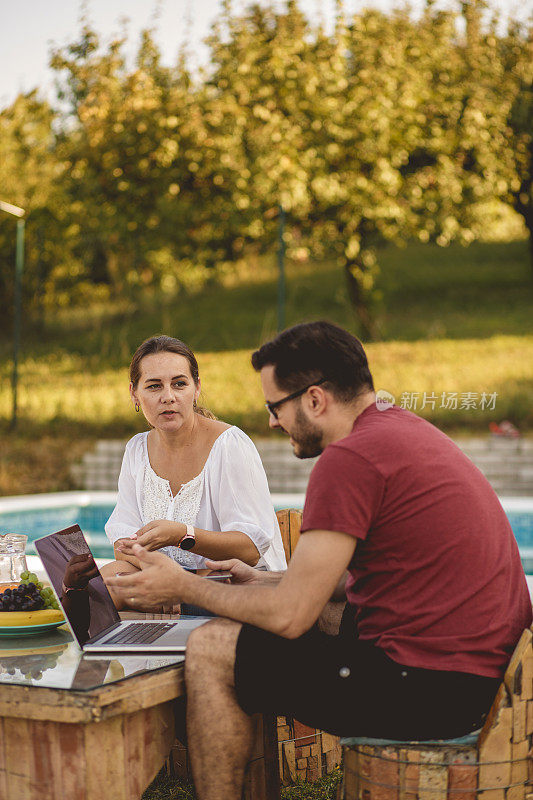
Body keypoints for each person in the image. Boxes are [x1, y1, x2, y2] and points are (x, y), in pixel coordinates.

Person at [107, 321, 532, 800]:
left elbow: (291, 618)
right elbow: (340, 587)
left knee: (211, 649)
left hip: (430, 691)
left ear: (313, 400)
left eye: (275, 406)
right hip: (485, 679)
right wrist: (263, 579)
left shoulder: (349, 460)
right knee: (305, 609)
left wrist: (182, 586)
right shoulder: (399, 431)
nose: (271, 421)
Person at [101, 334, 286, 609]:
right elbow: (122, 542)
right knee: (105, 581)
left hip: (234, 582)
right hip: (170, 580)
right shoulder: (137, 450)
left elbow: (249, 549)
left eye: (179, 384)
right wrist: (162, 572)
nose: (168, 397)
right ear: (134, 393)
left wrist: (183, 535)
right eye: (153, 386)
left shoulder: (229, 445)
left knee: (114, 589)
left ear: (196, 388)